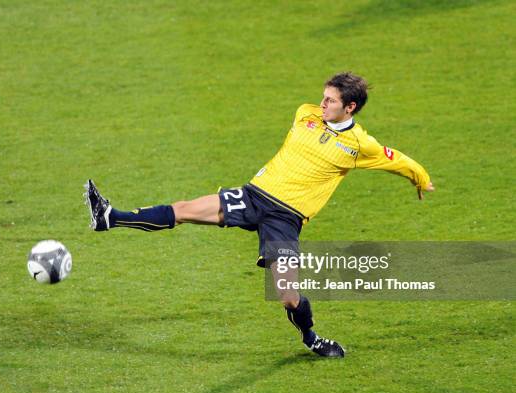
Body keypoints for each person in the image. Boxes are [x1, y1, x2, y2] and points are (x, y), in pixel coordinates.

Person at [84, 72, 434, 358]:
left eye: (330, 100)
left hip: (285, 218)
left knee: (286, 293)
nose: (322, 103)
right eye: (323, 96)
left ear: (351, 107)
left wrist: (422, 179)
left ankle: (310, 337)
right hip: (254, 196)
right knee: (186, 209)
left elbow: (397, 159)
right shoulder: (306, 114)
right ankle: (110, 217)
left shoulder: (360, 145)